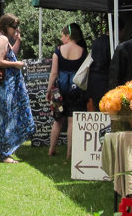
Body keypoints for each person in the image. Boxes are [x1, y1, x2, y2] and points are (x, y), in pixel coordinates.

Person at [0, 14, 35, 163]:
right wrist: (16, 65)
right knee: (6, 117)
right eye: (14, 27)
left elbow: (10, 54)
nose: (16, 30)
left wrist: (18, 39)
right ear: (6, 26)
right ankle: (5, 154)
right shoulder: (3, 39)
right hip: (2, 85)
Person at [46, 23, 88, 157]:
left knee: (58, 121)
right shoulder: (83, 51)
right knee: (72, 121)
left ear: (68, 36)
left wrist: (48, 90)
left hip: (60, 90)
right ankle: (70, 152)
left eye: (62, 36)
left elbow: (53, 73)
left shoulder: (58, 51)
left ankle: (51, 149)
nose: (61, 38)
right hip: (76, 89)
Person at [86, 32, 111, 109]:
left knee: (96, 106)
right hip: (105, 79)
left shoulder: (97, 41)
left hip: (93, 79)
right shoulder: (110, 43)